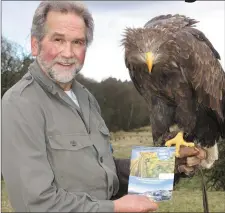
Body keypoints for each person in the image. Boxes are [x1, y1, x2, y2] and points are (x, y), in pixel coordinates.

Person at [2, 1, 208, 212]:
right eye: (58, 39)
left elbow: (105, 174)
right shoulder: (19, 105)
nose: (68, 52)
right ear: (35, 45)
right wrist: (115, 208)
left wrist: (171, 166)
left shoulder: (85, 98)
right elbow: (36, 204)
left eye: (78, 42)